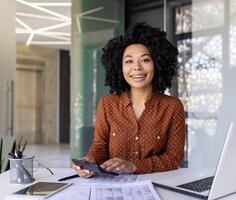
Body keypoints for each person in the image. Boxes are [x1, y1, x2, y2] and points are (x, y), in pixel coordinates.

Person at [72, 23, 185, 178]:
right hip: (113, 185)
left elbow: (173, 158)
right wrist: (89, 160)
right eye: (129, 61)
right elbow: (100, 146)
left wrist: (133, 166)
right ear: (119, 67)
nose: (137, 67)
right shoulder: (107, 104)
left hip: (156, 184)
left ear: (157, 64)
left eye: (145, 60)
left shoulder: (172, 106)